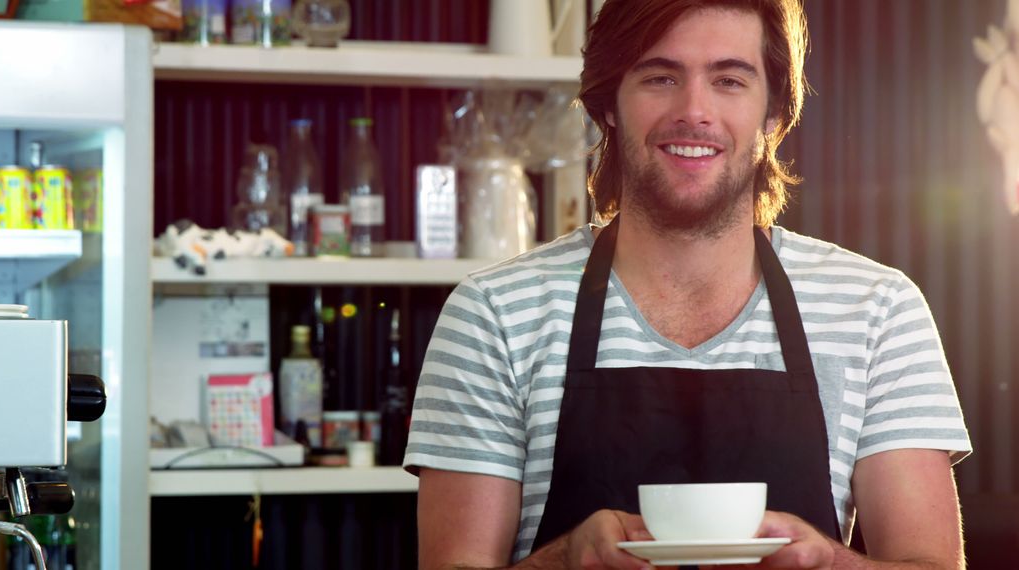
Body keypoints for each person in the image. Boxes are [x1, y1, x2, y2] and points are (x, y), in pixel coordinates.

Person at [404, 0, 972, 568]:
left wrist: (828, 560)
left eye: (728, 80)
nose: (693, 111)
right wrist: (563, 560)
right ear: (608, 107)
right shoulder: (493, 314)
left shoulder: (877, 310)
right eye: (660, 77)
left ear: (774, 113)